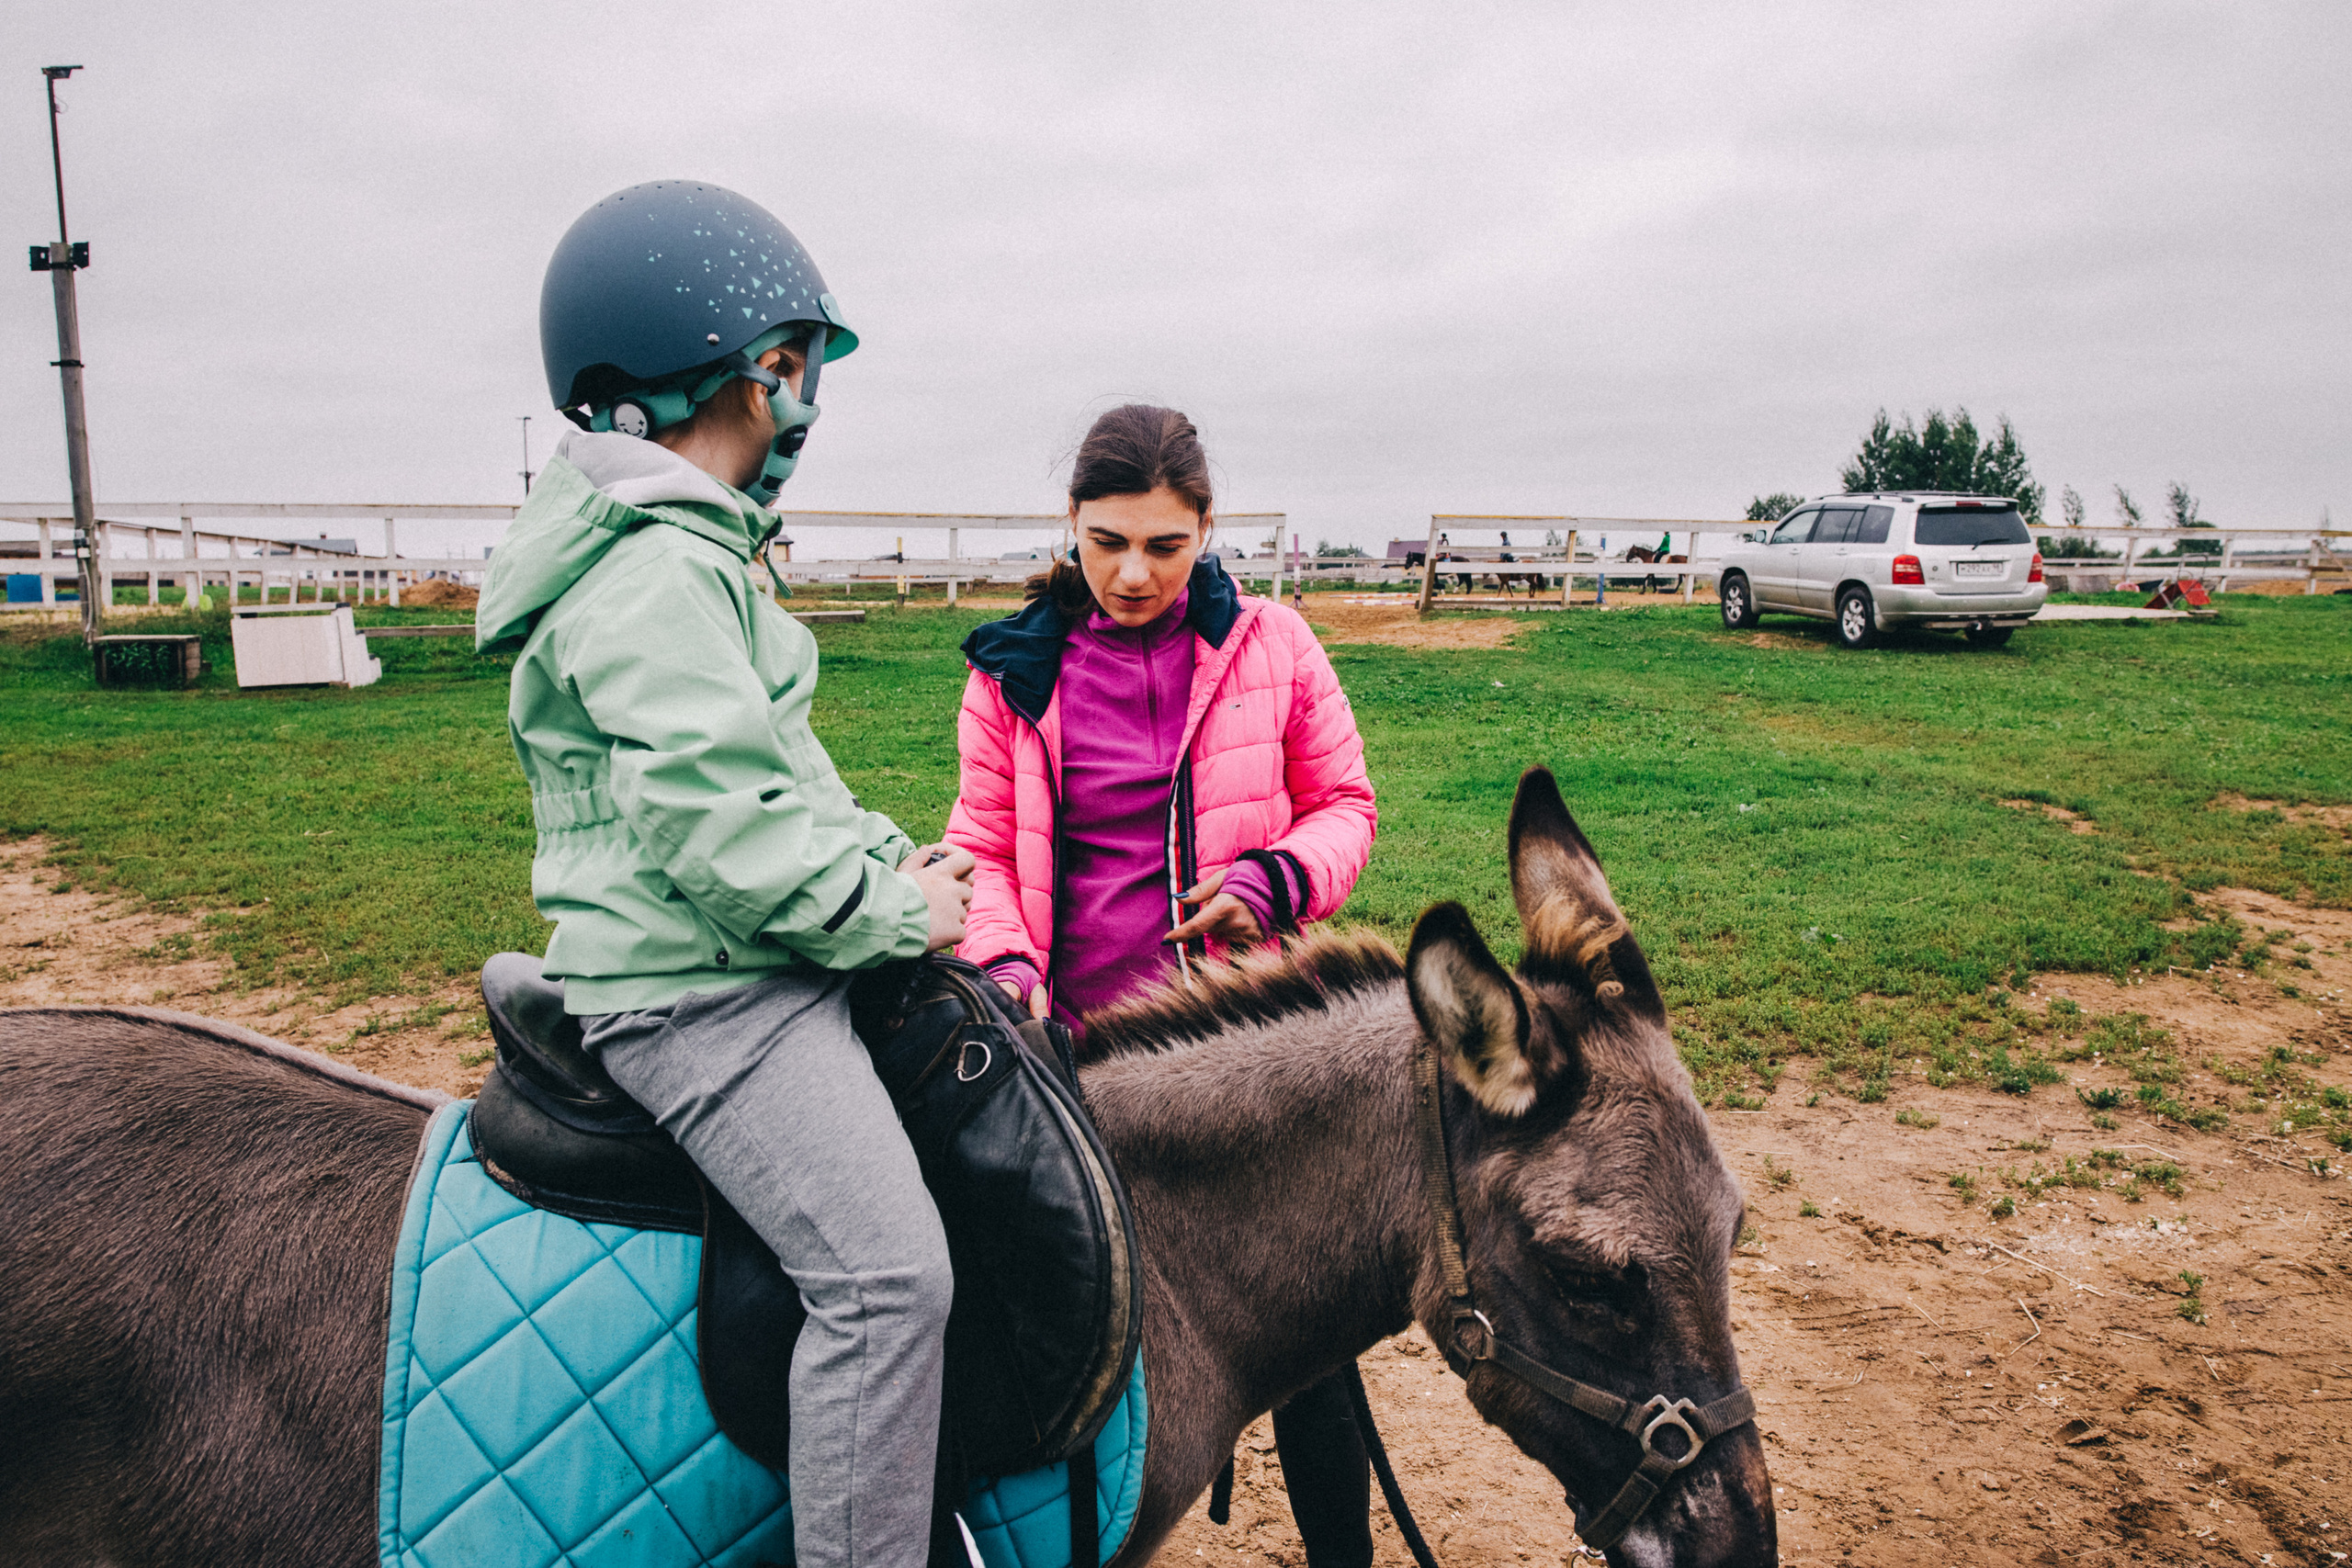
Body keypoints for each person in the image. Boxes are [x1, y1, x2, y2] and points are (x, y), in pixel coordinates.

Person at [476, 181, 974, 1568]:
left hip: (731, 957)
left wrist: (886, 856)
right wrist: (886, 914)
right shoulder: (653, 575)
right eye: (799, 366)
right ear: (749, 372)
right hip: (700, 995)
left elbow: (778, 779)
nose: (810, 402)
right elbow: (717, 826)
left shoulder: (694, 558)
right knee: (887, 1280)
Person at [944, 403, 1379, 1568]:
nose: (1132, 573)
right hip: (1071, 1060)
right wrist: (1005, 968)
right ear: (1070, 528)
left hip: (1240, 1063)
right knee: (1068, 1331)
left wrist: (1278, 880)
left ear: (1206, 531)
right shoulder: (1012, 672)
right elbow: (978, 848)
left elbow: (1348, 807)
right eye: (1106, 542)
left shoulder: (1276, 647)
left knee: (1310, 1361)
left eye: (1164, 545)